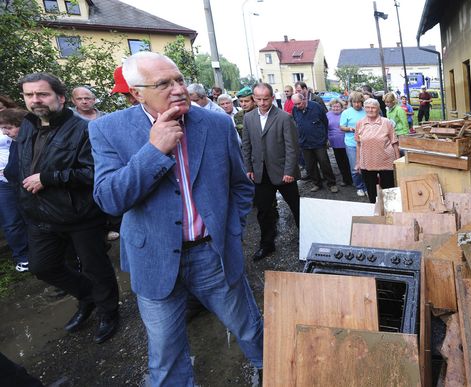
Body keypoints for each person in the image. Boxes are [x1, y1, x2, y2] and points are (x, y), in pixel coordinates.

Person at [88, 52, 263, 385]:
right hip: (152, 258)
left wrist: (232, 230)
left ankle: (270, 368)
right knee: (166, 352)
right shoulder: (108, 130)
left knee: (249, 327)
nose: (178, 89)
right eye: (163, 84)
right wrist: (153, 151)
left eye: (179, 79)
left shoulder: (216, 123)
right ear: (137, 92)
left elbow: (240, 186)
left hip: (213, 254)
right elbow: (110, 200)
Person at [14, 72, 119, 343]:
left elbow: (93, 173)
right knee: (42, 266)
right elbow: (24, 164)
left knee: (96, 267)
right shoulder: (27, 124)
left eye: (42, 94)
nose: (35, 100)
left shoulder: (84, 129)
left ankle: (109, 311)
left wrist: (48, 178)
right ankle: (88, 296)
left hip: (79, 214)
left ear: (60, 97)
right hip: (39, 214)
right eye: (29, 95)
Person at [241, 83, 300, 261]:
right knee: (264, 212)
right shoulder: (249, 118)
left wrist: (289, 170)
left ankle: (307, 240)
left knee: (297, 208)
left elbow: (292, 147)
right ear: (253, 98)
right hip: (260, 173)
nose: (262, 102)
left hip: (283, 173)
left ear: (272, 98)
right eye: (258, 99)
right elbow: (246, 145)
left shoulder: (284, 117)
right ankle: (266, 244)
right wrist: (249, 168)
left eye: (266, 99)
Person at [0, 108, 30, 272]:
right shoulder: (13, 138)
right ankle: (24, 256)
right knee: (12, 220)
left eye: (8, 128)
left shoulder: (24, 138)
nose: (5, 133)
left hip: (25, 180)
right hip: (7, 182)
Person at [355, 98, 400, 204]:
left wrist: (398, 161)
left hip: (386, 161)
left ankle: (391, 212)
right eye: (367, 107)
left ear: (378, 108)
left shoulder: (387, 123)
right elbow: (358, 144)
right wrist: (358, 162)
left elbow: (394, 142)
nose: (370, 110)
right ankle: (375, 210)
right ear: (364, 109)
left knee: (389, 191)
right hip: (367, 162)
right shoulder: (360, 123)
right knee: (371, 191)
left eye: (373, 107)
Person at [291, 93, 338, 193]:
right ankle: (317, 183)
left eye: (298, 103)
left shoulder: (316, 107)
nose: (297, 106)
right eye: (295, 104)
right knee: (310, 165)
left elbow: (325, 122)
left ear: (304, 99)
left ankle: (332, 183)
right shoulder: (295, 109)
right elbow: (296, 122)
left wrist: (324, 137)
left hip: (318, 141)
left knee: (324, 163)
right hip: (304, 142)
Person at [339, 91, 367, 197]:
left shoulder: (366, 111)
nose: (357, 104)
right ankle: (359, 186)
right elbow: (341, 127)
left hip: (365, 143)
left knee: (366, 166)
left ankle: (366, 186)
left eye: (359, 102)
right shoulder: (346, 113)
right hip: (351, 143)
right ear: (351, 102)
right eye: (354, 102)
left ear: (362, 102)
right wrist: (350, 129)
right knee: (355, 167)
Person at [326, 98, 352, 186]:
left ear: (341, 107)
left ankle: (351, 178)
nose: (336, 108)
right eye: (334, 107)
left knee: (348, 161)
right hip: (334, 141)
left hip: (345, 140)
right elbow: (326, 128)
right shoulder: (327, 115)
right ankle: (345, 179)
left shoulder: (345, 114)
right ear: (331, 107)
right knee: (339, 161)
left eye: (338, 107)